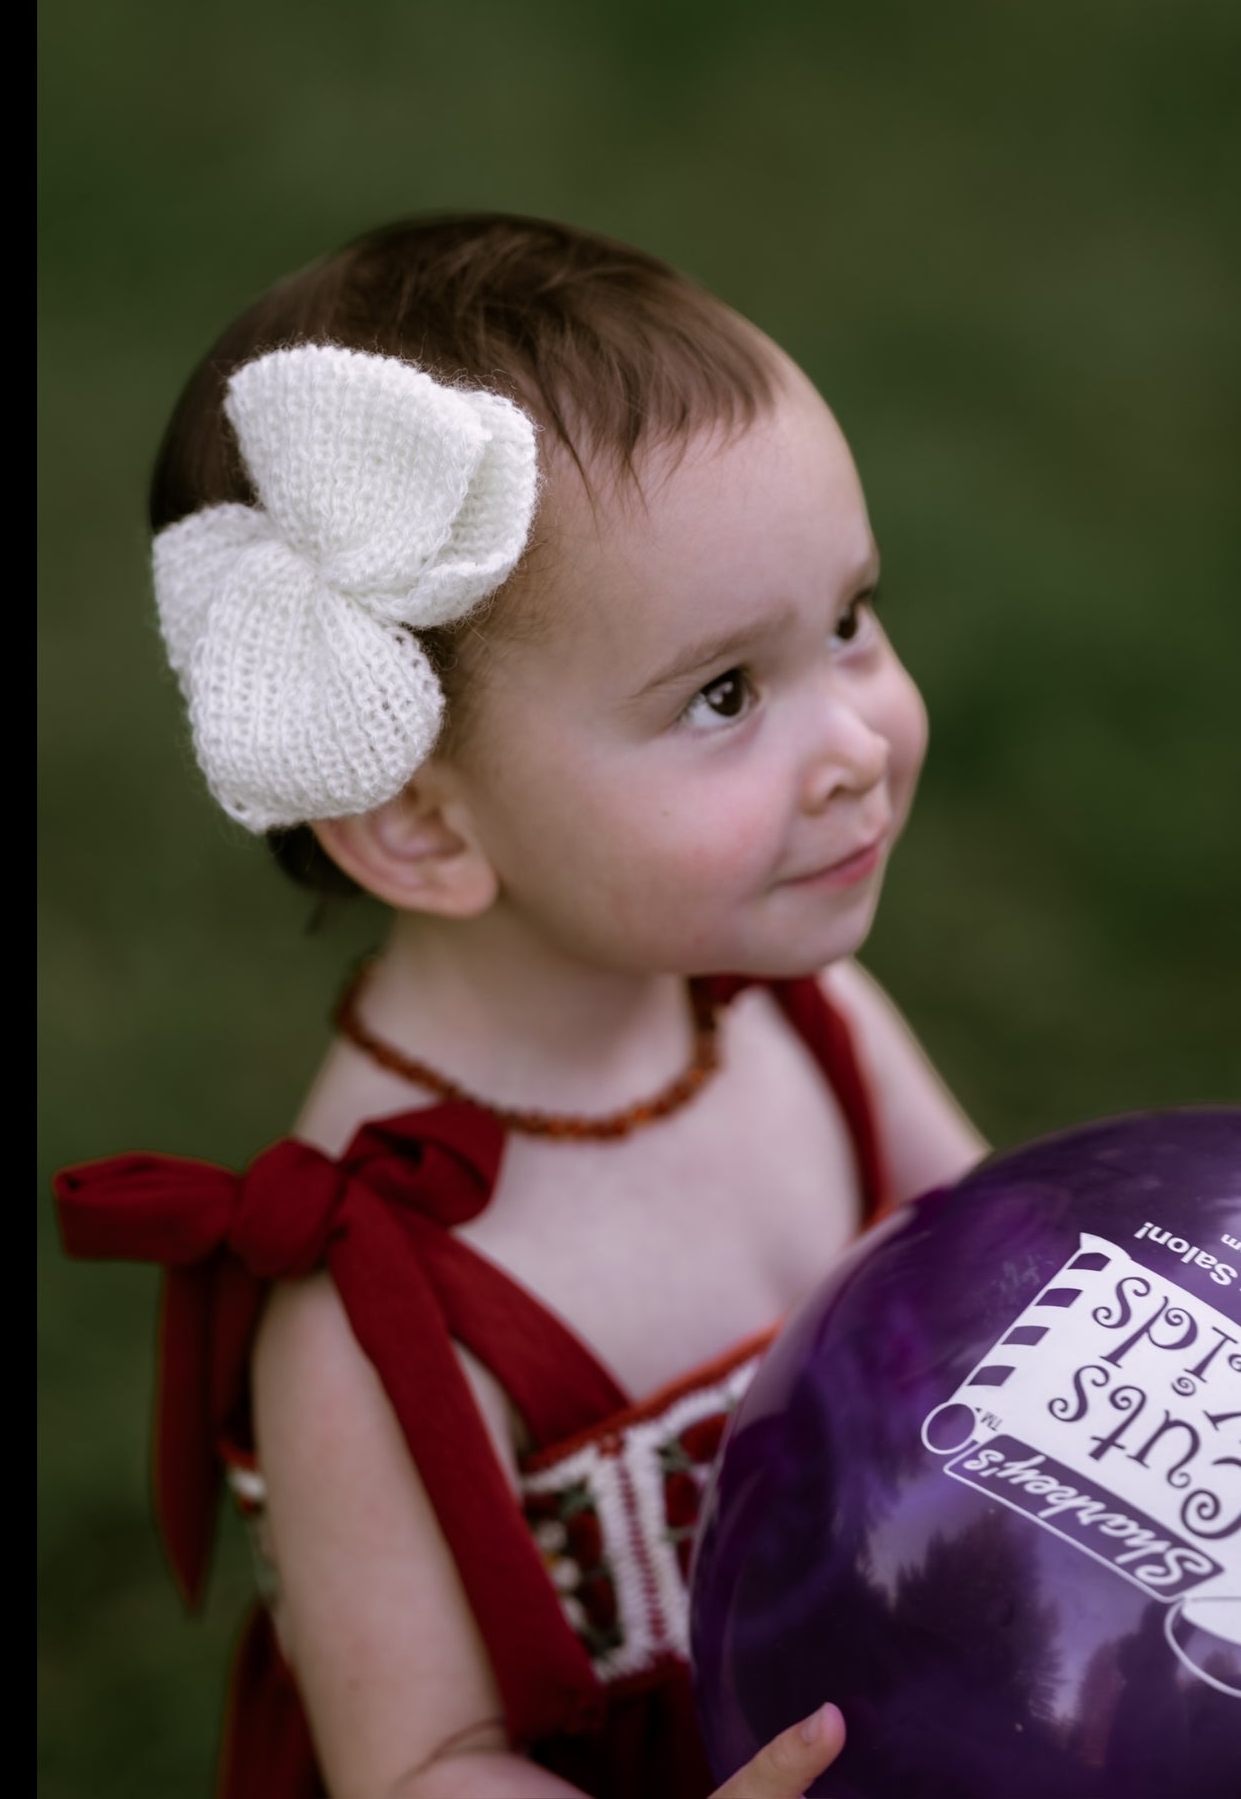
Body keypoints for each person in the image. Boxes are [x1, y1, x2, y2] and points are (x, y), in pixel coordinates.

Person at [54, 213, 988, 1799]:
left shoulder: (806, 1015)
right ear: (422, 824)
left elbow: (1008, 1274)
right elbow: (418, 1759)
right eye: (722, 694)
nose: (854, 741)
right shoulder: (374, 1298)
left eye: (847, 619)